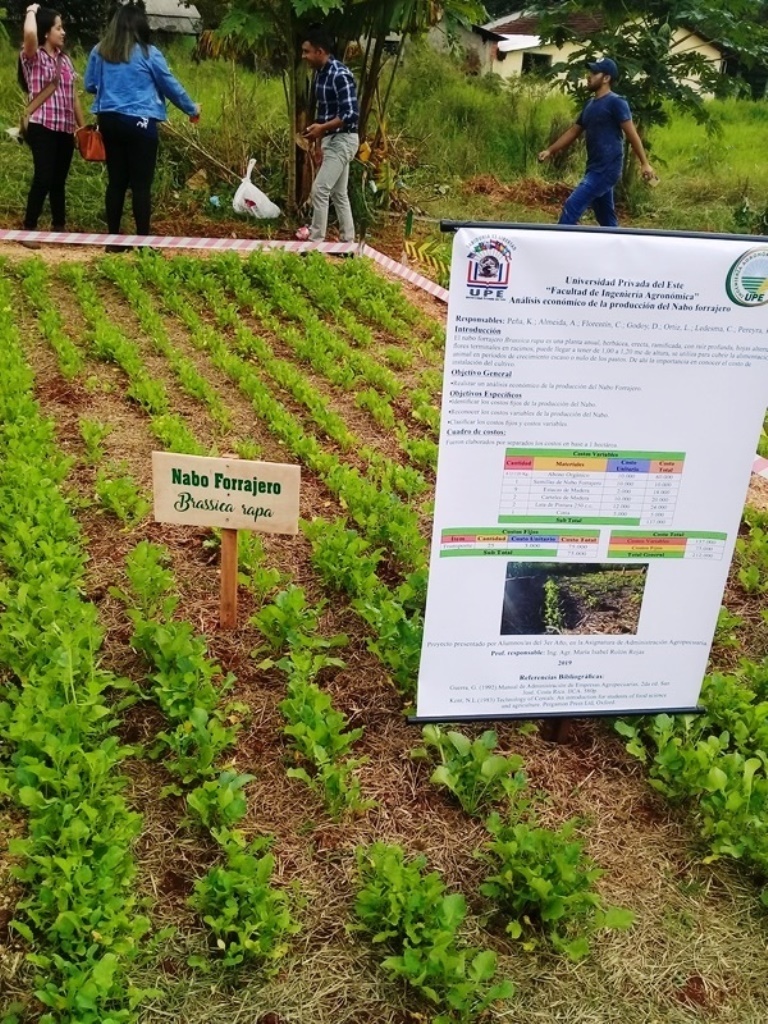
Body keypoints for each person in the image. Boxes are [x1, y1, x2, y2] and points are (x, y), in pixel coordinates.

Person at [84, 4, 199, 252]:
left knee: (116, 182)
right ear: (140, 26)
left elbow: (91, 85)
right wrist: (192, 109)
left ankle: (113, 242)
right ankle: (143, 243)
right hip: (140, 123)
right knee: (140, 185)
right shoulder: (149, 53)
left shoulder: (99, 51)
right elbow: (170, 85)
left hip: (109, 121)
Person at [538, 58, 655, 228]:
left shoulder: (616, 102)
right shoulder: (590, 104)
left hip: (607, 168)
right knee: (606, 218)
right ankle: (618, 249)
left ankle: (559, 248)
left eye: (594, 73)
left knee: (572, 205)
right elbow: (574, 131)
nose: (588, 76)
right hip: (594, 167)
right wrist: (550, 150)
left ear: (606, 78)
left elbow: (632, 134)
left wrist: (645, 164)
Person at [19, 4, 84, 249]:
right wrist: (31, 11)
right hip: (42, 126)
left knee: (58, 181)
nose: (63, 32)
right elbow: (29, 35)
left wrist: (82, 128)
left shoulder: (65, 61)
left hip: (64, 128)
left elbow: (73, 96)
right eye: (59, 27)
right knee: (43, 177)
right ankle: (29, 229)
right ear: (46, 32)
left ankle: (59, 228)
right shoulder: (33, 56)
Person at [297, 26, 359, 244]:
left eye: (307, 51)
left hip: (344, 139)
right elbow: (322, 115)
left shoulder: (340, 75)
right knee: (338, 193)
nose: (304, 56)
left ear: (320, 51)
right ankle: (348, 243)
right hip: (330, 140)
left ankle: (315, 243)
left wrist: (322, 130)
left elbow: (350, 114)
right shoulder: (320, 76)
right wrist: (318, 146)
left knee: (320, 190)